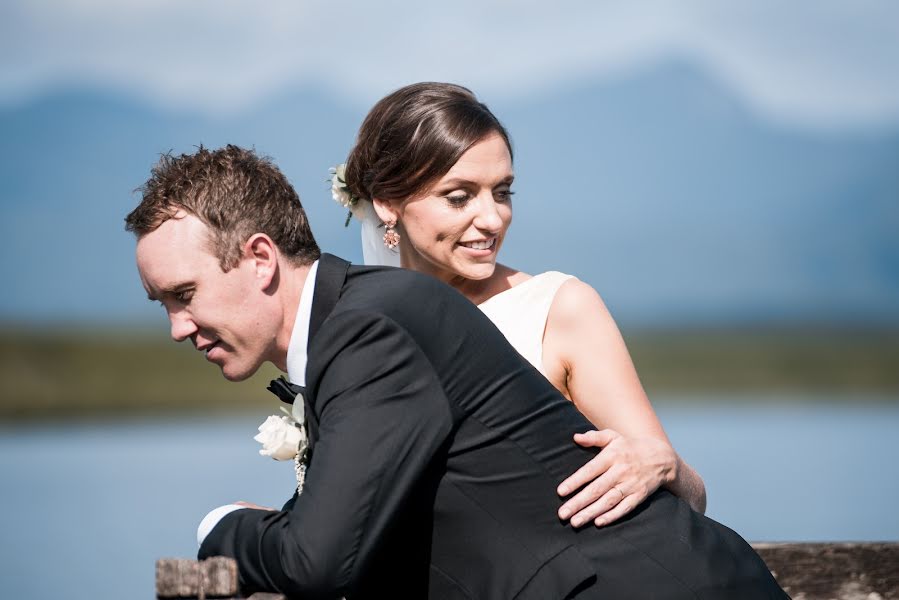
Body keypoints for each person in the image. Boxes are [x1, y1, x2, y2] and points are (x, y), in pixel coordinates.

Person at [126, 144, 785, 598]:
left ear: (261, 258)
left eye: (184, 294)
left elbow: (317, 563)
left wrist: (222, 526)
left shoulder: (367, 329)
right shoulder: (362, 320)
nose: (178, 327)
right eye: (164, 305)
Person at [338, 81, 706, 528]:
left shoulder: (558, 310)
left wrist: (663, 465)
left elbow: (692, 499)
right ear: (387, 203)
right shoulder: (359, 326)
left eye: (502, 192)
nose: (492, 219)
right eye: (459, 197)